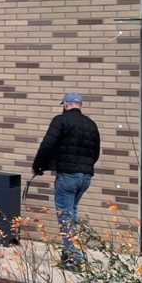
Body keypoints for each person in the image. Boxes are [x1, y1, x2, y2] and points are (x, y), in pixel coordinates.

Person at [31, 92, 101, 270]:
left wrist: (38, 166)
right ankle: (71, 250)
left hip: (68, 176)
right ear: (80, 105)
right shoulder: (91, 124)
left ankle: (74, 257)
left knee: (65, 216)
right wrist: (84, 168)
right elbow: (96, 152)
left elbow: (47, 145)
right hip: (85, 177)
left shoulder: (60, 120)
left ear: (66, 105)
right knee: (72, 213)